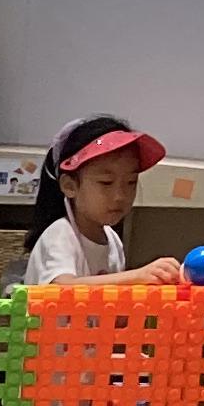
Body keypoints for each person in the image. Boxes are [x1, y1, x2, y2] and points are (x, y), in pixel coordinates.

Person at [22, 117, 185, 289]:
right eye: (106, 182)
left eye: (131, 182)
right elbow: (60, 288)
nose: (120, 196)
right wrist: (136, 276)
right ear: (70, 186)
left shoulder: (112, 240)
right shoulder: (60, 234)